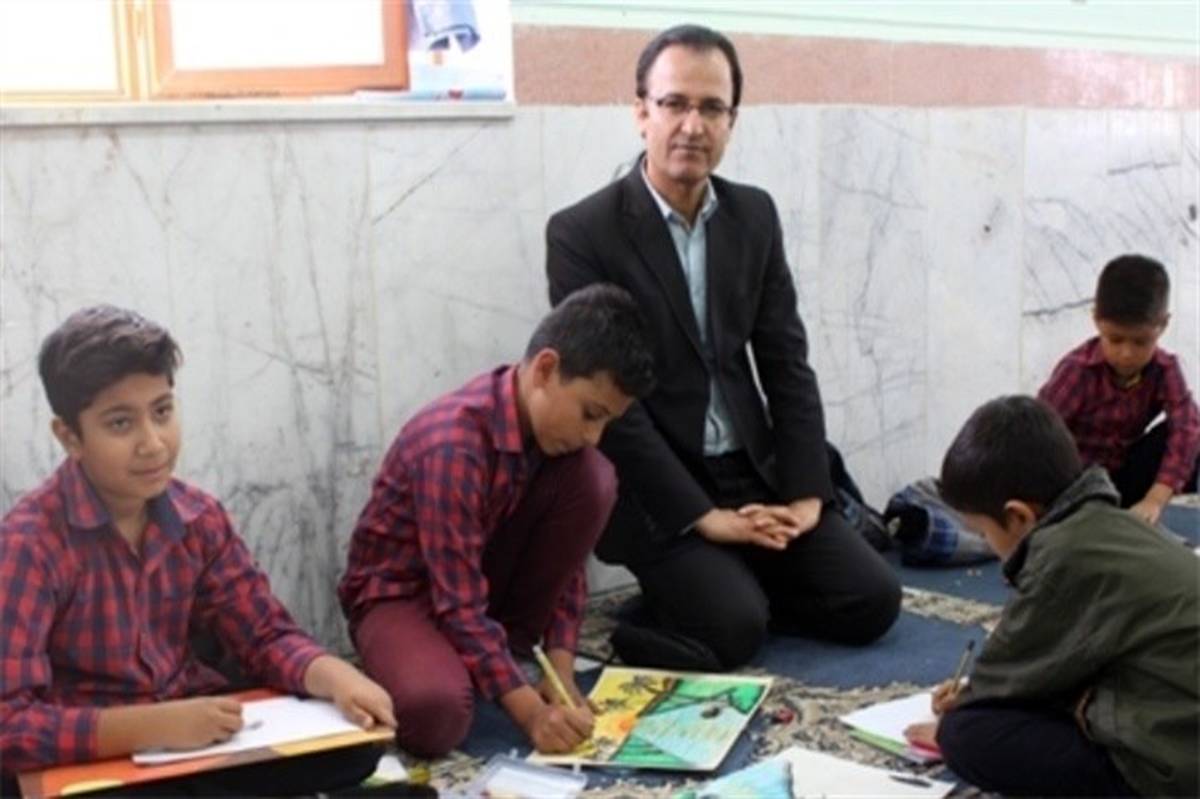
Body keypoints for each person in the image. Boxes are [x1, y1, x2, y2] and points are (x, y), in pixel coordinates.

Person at [544, 24, 900, 671]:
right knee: (735, 630)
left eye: (712, 108)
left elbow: (786, 363)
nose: (693, 125)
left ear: (732, 120)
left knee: (872, 599)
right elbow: (612, 407)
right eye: (675, 103)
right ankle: (669, 614)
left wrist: (805, 496)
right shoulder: (583, 233)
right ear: (641, 112)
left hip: (752, 471)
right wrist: (704, 517)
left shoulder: (754, 215)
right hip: (659, 486)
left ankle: (736, 585)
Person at [1, 306, 395, 795]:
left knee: (354, 747)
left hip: (192, 738)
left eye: (162, 412)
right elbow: (10, 724)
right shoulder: (29, 545)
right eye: (120, 424)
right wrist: (152, 726)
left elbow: (264, 634)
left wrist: (335, 676)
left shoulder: (198, 518)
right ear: (69, 437)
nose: (153, 444)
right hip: (101, 756)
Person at [338, 284, 656, 758]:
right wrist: (532, 715)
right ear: (545, 369)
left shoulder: (561, 443)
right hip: (404, 596)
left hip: (485, 588)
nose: (593, 435)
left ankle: (492, 662)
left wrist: (562, 678)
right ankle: (434, 660)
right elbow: (458, 603)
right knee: (435, 712)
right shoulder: (452, 444)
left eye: (605, 423)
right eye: (590, 414)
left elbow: (567, 570)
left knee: (596, 478)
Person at [907, 395, 1198, 797]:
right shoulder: (1118, 525)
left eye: (984, 532)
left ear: (1018, 516)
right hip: (1178, 714)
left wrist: (958, 710)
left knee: (965, 734)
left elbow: (1003, 677)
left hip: (1174, 769)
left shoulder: (1059, 557)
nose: (987, 544)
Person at [1039, 254, 1200, 524]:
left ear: (1162, 325)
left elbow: (1186, 429)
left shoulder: (1165, 369)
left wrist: (1155, 499)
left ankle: (1164, 523)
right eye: (1115, 339)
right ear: (1096, 320)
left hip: (1123, 479)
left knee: (1191, 433)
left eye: (1140, 342)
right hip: (1074, 484)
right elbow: (1039, 435)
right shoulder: (1078, 371)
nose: (1126, 354)